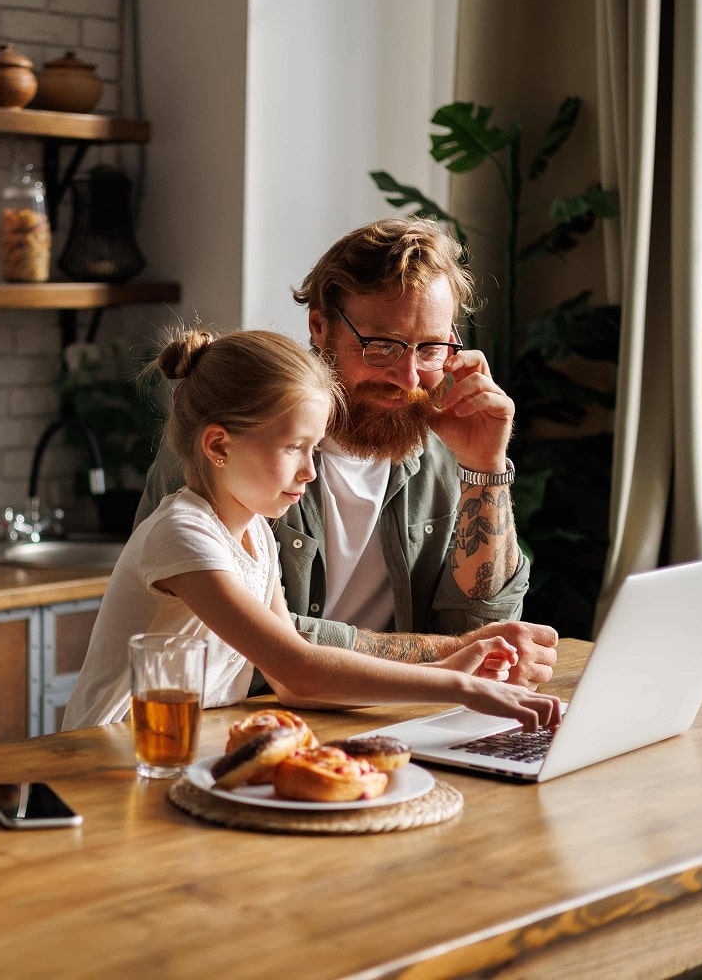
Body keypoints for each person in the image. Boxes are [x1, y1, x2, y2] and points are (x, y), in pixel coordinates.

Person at [61, 328, 562, 731]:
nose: (310, 471)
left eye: (315, 448)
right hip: (110, 751)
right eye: (293, 448)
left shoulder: (257, 534)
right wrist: (461, 688)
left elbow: (294, 688)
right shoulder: (182, 534)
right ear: (218, 446)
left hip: (184, 746)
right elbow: (299, 665)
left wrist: (449, 671)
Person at [134, 217, 558, 689]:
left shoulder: (444, 446)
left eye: (430, 348)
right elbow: (247, 651)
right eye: (382, 346)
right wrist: (452, 655)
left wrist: (486, 466)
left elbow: (479, 637)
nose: (410, 378)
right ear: (320, 324)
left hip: (384, 720)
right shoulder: (229, 444)